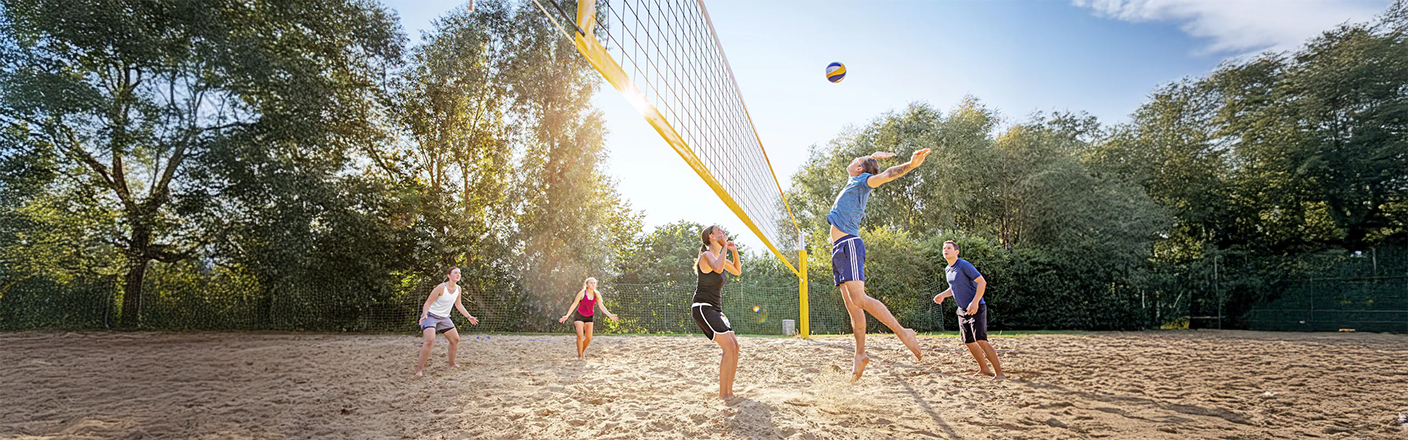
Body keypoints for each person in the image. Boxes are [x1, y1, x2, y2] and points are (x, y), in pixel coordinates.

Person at [828, 149, 930, 381]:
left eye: (856, 161)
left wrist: (911, 165)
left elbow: (886, 175)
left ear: (860, 169)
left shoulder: (864, 181)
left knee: (860, 299)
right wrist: (873, 156)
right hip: (839, 249)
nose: (852, 160)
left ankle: (903, 332)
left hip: (849, 244)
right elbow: (865, 165)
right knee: (854, 306)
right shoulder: (854, 181)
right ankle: (860, 354)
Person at [933, 240, 1005, 381]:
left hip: (976, 307)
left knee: (981, 340)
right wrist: (942, 295)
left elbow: (982, 282)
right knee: (969, 341)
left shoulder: (963, 265)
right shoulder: (948, 269)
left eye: (948, 248)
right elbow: (954, 289)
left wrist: (975, 301)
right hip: (962, 310)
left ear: (956, 251)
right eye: (943, 248)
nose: (945, 250)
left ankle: (1000, 374)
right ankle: (984, 369)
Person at [691, 225, 742, 400]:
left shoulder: (718, 256)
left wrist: (733, 252)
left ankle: (729, 392)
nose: (723, 233)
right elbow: (719, 269)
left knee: (734, 347)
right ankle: (723, 395)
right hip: (703, 307)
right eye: (719, 231)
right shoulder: (706, 256)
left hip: (715, 309)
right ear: (711, 237)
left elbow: (737, 270)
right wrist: (726, 246)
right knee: (728, 348)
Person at [415, 267, 480, 377]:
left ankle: (452, 363)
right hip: (431, 316)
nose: (458, 275)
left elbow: (458, 305)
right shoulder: (441, 287)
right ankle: (419, 370)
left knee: (455, 339)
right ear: (448, 275)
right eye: (455, 273)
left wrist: (468, 316)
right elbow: (427, 303)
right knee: (430, 340)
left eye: (459, 273)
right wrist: (425, 314)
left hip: (444, 318)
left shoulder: (458, 289)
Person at [558, 277, 619, 360]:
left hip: (589, 317)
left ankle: (581, 350)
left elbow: (601, 306)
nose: (593, 284)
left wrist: (610, 315)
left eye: (594, 283)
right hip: (579, 316)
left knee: (589, 338)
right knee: (580, 335)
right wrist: (567, 315)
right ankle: (580, 355)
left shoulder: (597, 294)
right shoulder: (582, 293)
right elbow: (574, 304)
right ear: (586, 284)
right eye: (591, 283)